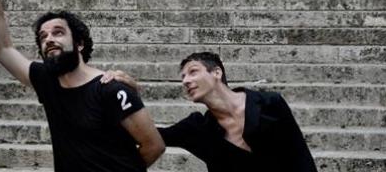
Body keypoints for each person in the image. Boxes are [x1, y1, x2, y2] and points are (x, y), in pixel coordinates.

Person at [0, 0, 165, 172]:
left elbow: (154, 146)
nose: (49, 39)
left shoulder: (112, 89)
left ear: (79, 44)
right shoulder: (46, 81)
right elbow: (3, 48)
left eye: (58, 33)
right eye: (43, 37)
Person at [105, 51, 317, 172]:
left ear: (217, 72)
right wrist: (132, 94)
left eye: (193, 72)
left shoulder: (270, 103)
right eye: (182, 77)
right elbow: (150, 135)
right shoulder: (197, 128)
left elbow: (301, 159)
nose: (186, 80)